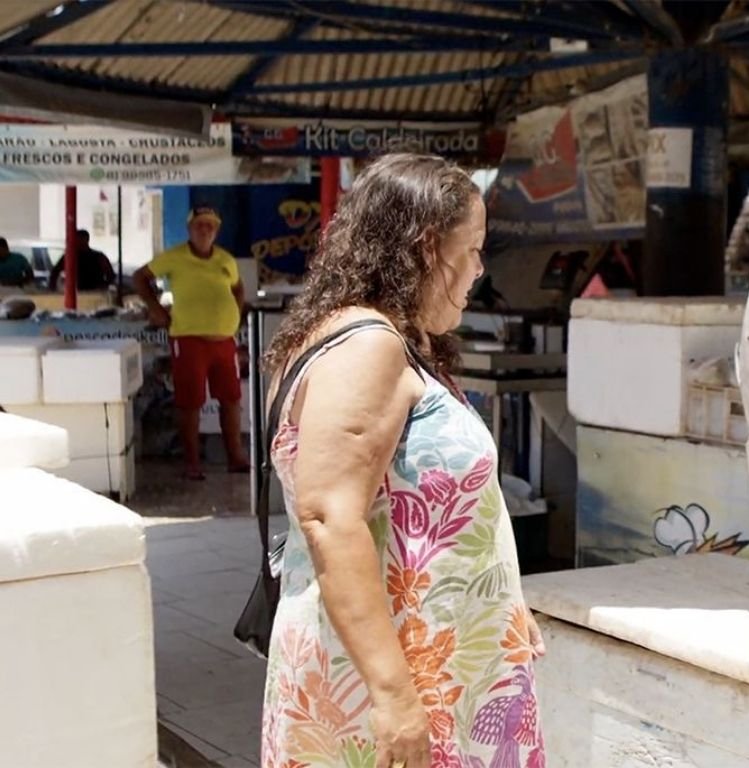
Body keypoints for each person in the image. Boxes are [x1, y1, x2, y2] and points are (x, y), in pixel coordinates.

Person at [259, 153, 545, 768]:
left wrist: (495, 604)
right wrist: (393, 696)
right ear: (424, 248)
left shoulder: (385, 339)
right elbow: (331, 519)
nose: (478, 269)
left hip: (433, 662)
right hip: (392, 682)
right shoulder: (368, 346)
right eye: (471, 250)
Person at [133, 207, 248, 480]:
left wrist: (235, 312)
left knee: (231, 399)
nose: (205, 229)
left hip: (224, 340)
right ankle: (192, 463)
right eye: (199, 225)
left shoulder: (225, 259)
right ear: (189, 229)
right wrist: (156, 308)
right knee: (190, 402)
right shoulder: (174, 257)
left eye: (210, 225)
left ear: (216, 230)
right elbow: (140, 277)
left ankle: (236, 458)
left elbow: (238, 287)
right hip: (188, 338)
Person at [48, 229, 115, 292]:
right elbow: (55, 272)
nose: (78, 242)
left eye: (80, 239)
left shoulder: (98, 256)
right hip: (78, 292)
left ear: (87, 240)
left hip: (93, 292)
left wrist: (103, 286)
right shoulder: (70, 256)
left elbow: (110, 275)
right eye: (77, 239)